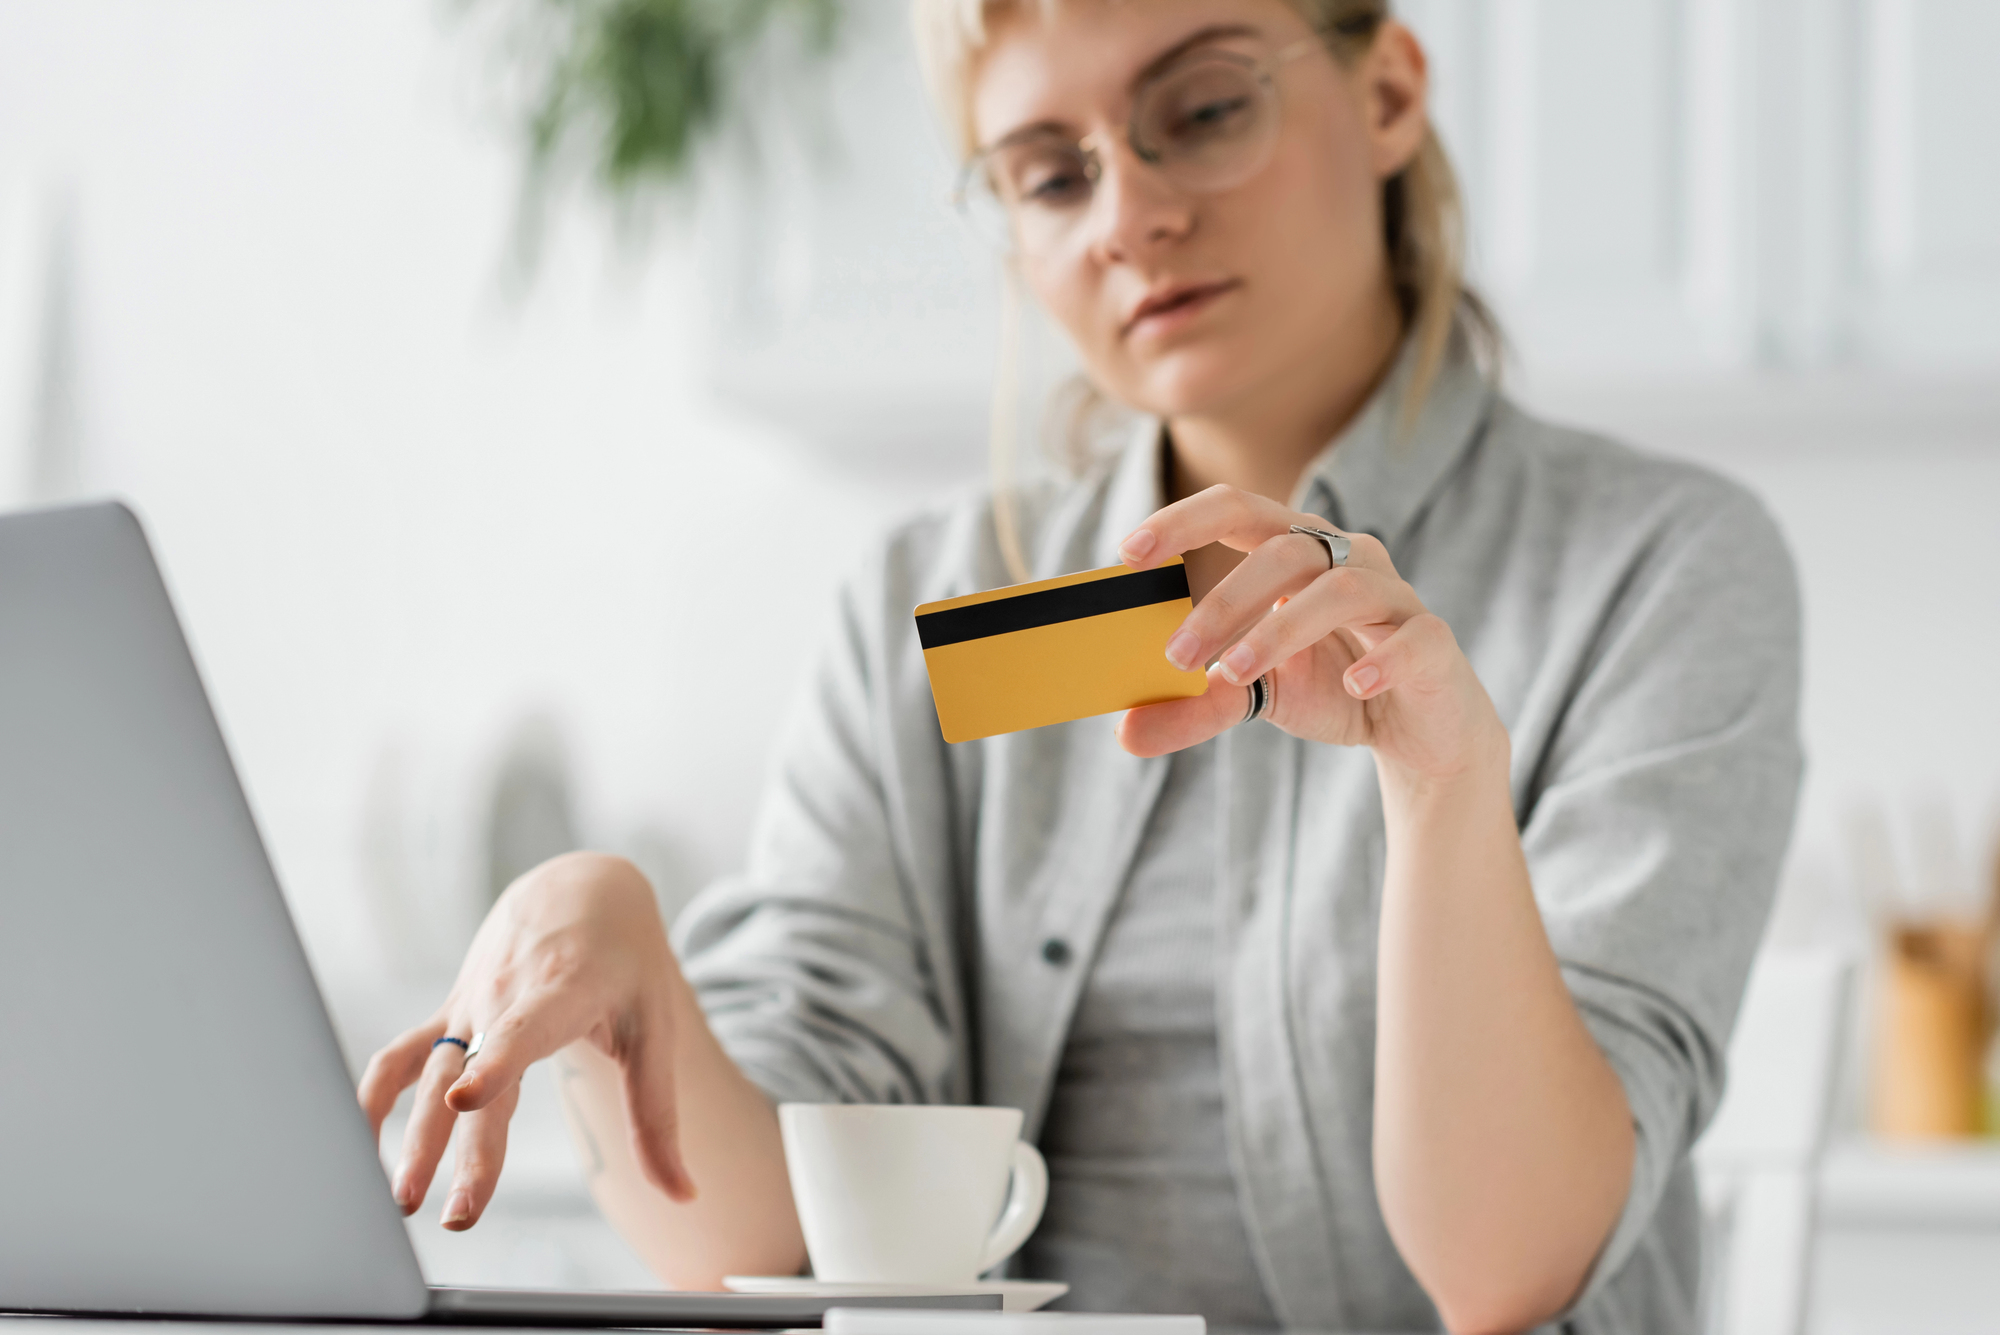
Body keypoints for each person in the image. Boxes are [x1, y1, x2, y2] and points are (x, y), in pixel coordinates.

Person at [359, 1, 1803, 1331]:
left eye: (1208, 108)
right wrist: (611, 951)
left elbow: (1508, 1269)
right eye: (1052, 176)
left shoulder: (1661, 568)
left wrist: (1441, 786)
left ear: (1387, 92)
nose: (1130, 215)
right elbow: (773, 1229)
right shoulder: (923, 608)